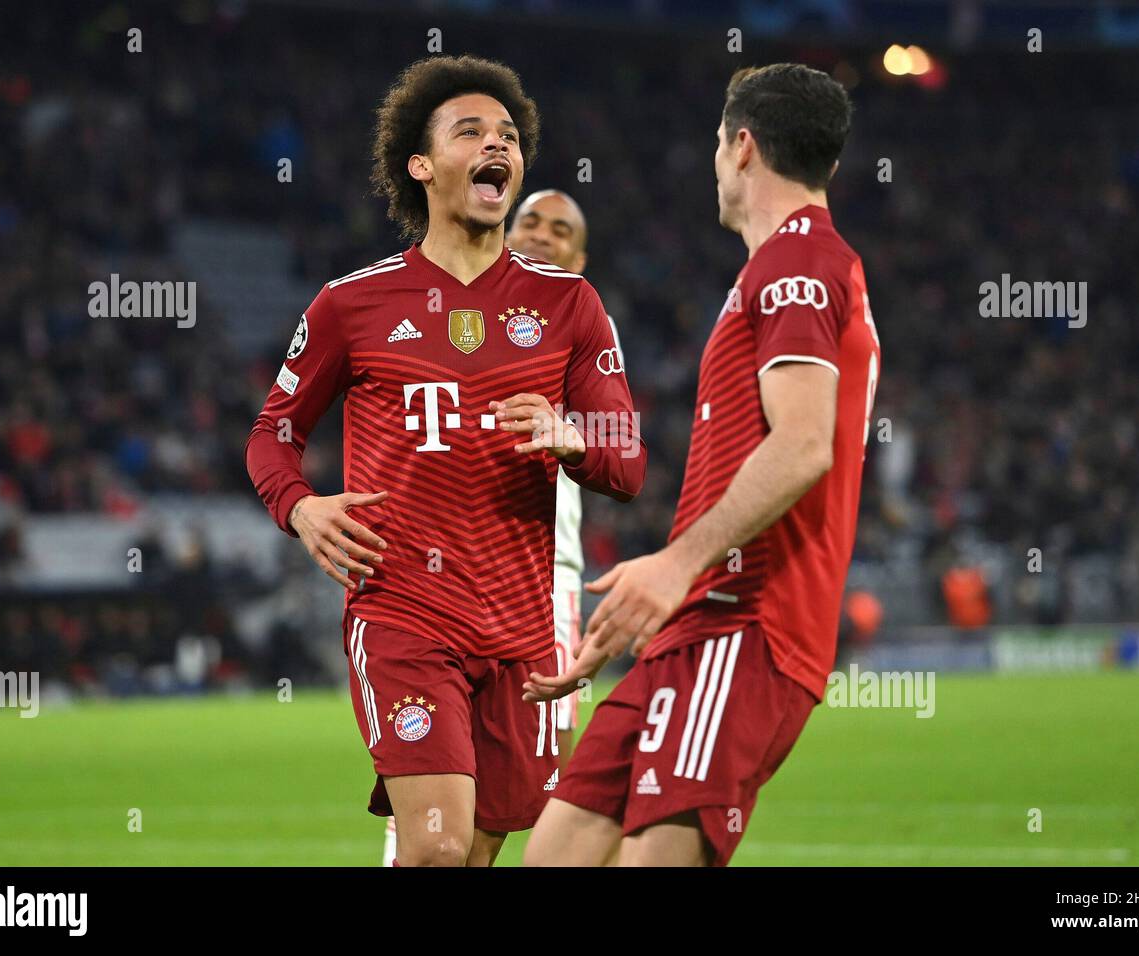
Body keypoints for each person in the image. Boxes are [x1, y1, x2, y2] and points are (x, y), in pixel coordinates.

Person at [245, 55, 644, 867]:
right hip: (405, 615)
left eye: (508, 135)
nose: (496, 144)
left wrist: (576, 435)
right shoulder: (349, 304)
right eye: (471, 131)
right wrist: (301, 506)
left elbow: (628, 461)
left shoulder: (571, 305)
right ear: (421, 165)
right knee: (435, 848)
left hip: (521, 634)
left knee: (472, 854)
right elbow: (272, 434)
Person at [523, 63, 879, 866]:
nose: (715, 163)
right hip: (693, 627)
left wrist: (675, 566)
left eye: (718, 145)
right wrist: (645, 608)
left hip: (746, 624)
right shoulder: (779, 268)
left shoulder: (799, 263)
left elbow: (802, 444)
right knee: (557, 853)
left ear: (742, 146)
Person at [380, 187, 611, 867]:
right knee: (438, 815)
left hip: (541, 589)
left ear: (581, 255)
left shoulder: (580, 321)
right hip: (435, 583)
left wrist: (571, 436)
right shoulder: (457, 307)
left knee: (508, 810)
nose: (542, 234)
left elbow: (618, 446)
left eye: (561, 229)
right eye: (531, 220)